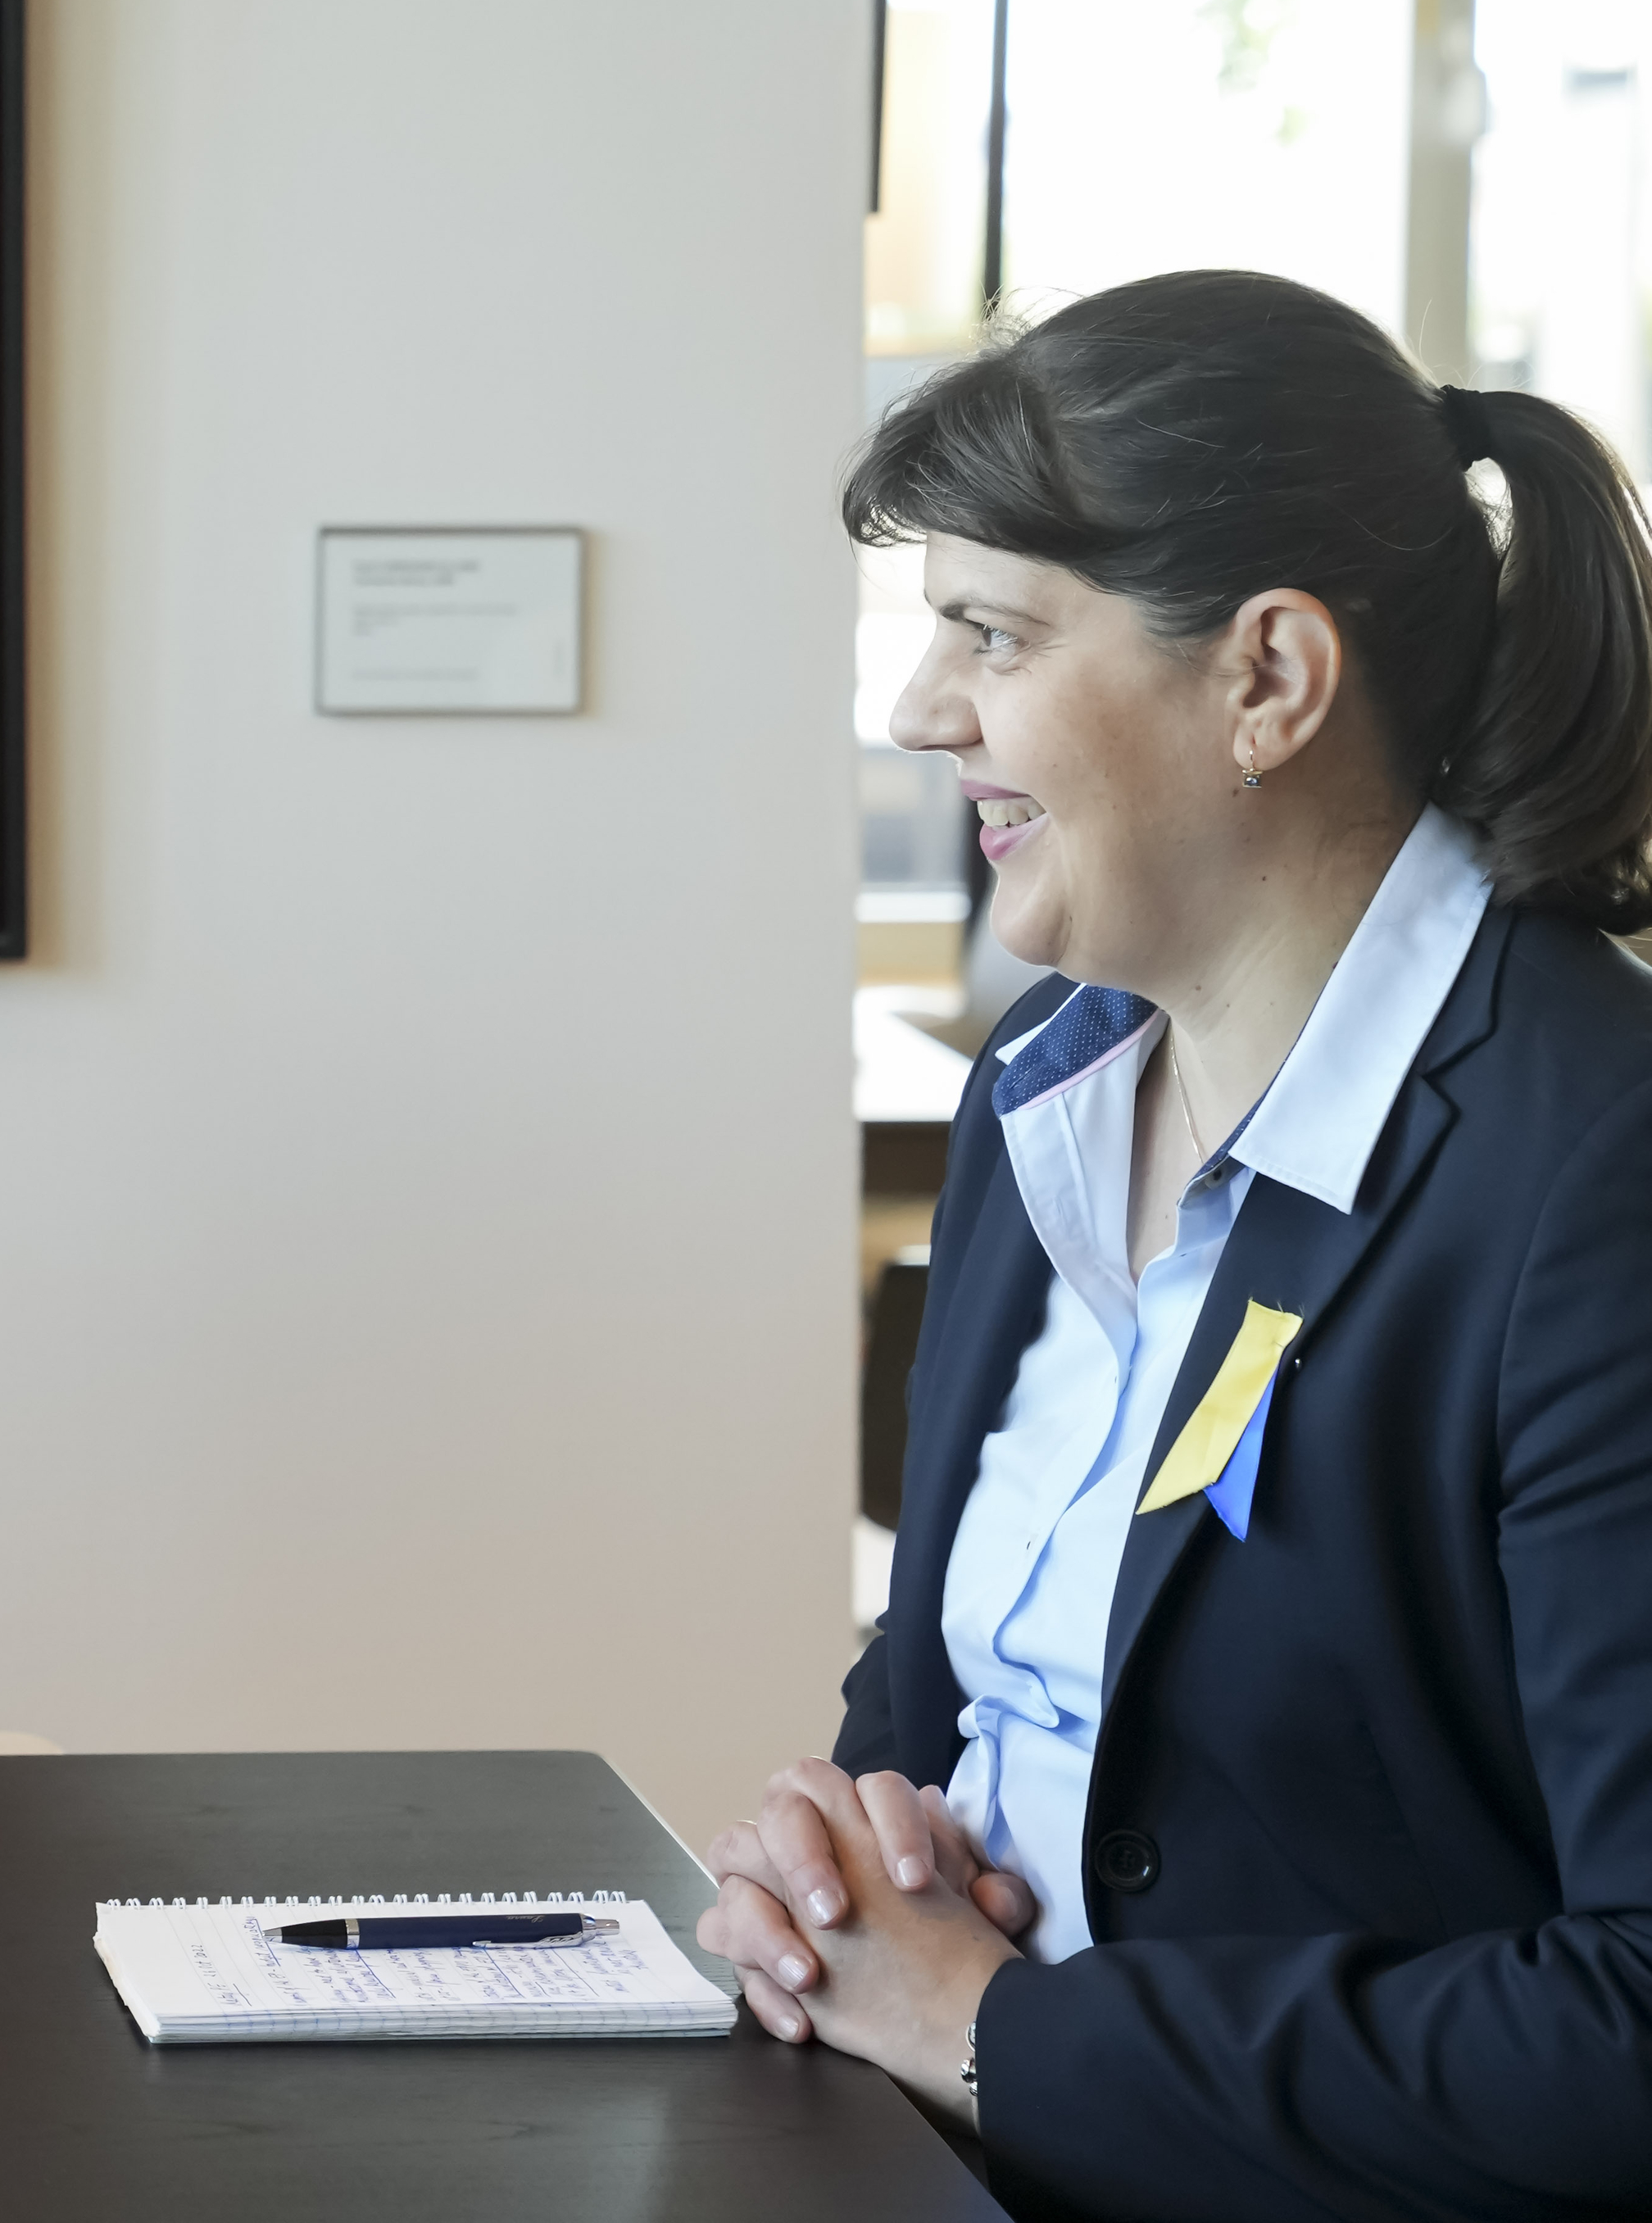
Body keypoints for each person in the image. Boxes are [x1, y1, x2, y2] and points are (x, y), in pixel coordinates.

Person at [695, 270, 1652, 2218]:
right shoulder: (1042, 1091)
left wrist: (991, 2032)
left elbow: (1630, 2022)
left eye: (990, 631)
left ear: (1267, 681)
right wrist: (837, 1852)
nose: (914, 707)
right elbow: (930, 1710)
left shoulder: (1595, 1176)